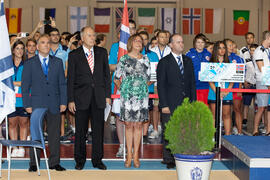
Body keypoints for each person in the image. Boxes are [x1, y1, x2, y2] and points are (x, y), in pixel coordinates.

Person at [67, 26, 111, 170]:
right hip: (81, 98)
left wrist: (107, 95)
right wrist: (71, 100)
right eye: (90, 35)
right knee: (80, 131)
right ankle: (80, 160)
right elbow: (71, 79)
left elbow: (106, 76)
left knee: (98, 131)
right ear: (83, 38)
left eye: (94, 35)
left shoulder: (102, 52)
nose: (93, 38)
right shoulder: (74, 55)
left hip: (98, 97)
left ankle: (97, 160)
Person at [22, 34, 67, 172]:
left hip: (54, 103)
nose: (46, 45)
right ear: (37, 46)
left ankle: (54, 162)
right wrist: (27, 104)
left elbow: (62, 84)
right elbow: (25, 85)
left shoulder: (58, 62)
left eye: (48, 43)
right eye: (43, 42)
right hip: (36, 104)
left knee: (54, 134)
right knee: (36, 134)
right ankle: (34, 163)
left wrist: (63, 102)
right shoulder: (30, 63)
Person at [157, 34, 196, 169]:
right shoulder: (164, 62)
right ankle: (169, 159)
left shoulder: (188, 61)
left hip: (185, 103)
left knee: (184, 130)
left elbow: (192, 84)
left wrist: (192, 103)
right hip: (170, 103)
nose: (181, 44)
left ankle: (181, 155)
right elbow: (161, 86)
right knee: (169, 131)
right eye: (178, 42)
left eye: (182, 41)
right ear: (171, 45)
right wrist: (164, 105)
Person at [114, 34, 150, 168]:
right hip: (127, 97)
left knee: (139, 125)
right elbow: (116, 77)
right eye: (136, 40)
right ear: (130, 43)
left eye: (141, 41)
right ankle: (129, 154)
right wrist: (123, 88)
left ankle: (136, 156)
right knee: (128, 125)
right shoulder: (123, 59)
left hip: (141, 97)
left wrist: (141, 87)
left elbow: (148, 78)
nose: (139, 43)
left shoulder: (146, 59)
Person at [109, 20, 137, 158]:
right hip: (119, 85)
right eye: (127, 29)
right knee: (120, 118)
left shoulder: (139, 47)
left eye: (132, 29)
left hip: (136, 88)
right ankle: (121, 145)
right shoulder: (116, 47)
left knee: (132, 119)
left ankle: (131, 145)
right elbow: (110, 66)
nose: (129, 31)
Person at [8, 40, 29, 158]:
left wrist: (16, 83)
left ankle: (21, 147)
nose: (20, 51)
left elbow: (29, 81)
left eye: (22, 48)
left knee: (23, 122)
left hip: (23, 98)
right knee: (12, 123)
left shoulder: (27, 64)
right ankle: (14, 146)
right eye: (17, 48)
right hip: (11, 99)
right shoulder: (8, 64)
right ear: (13, 50)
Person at [208, 41, 233, 135]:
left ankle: (228, 137)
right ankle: (212, 137)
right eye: (219, 48)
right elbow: (209, 79)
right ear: (215, 50)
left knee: (226, 114)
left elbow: (233, 79)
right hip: (214, 92)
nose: (222, 50)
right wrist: (216, 91)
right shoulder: (211, 62)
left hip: (227, 92)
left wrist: (227, 90)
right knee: (214, 115)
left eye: (223, 48)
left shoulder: (229, 62)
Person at [149, 30, 171, 139]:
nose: (164, 39)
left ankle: (168, 128)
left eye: (166, 37)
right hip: (155, 83)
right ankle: (155, 128)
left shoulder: (171, 51)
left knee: (168, 106)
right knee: (156, 107)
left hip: (168, 84)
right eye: (161, 37)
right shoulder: (151, 51)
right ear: (157, 38)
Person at [139, 31, 159, 144]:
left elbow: (155, 73)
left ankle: (144, 134)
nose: (143, 41)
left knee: (146, 112)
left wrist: (147, 84)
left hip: (149, 89)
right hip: (134, 90)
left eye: (145, 39)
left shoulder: (153, 55)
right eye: (141, 38)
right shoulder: (131, 54)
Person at [225, 39, 245, 135]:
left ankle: (240, 131)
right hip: (225, 88)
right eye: (229, 45)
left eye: (232, 45)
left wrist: (240, 89)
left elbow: (242, 75)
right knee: (225, 111)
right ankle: (225, 129)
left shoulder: (238, 58)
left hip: (236, 87)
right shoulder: (220, 58)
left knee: (237, 109)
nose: (231, 47)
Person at [252, 31, 270, 136]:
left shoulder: (268, 50)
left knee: (269, 107)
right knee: (262, 107)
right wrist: (268, 83)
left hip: (269, 80)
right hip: (262, 80)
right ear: (268, 38)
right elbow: (261, 69)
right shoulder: (259, 51)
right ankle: (255, 129)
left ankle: (268, 130)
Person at [186, 34, 211, 105]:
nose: (200, 44)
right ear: (195, 43)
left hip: (205, 85)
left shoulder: (209, 54)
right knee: (193, 108)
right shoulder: (189, 54)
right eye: (198, 42)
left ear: (205, 44)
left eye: (202, 42)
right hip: (193, 85)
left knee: (204, 107)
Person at [243, 44, 258, 126]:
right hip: (248, 84)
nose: (252, 52)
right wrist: (244, 81)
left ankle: (258, 121)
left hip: (258, 84)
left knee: (258, 104)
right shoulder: (246, 59)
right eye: (251, 50)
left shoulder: (261, 60)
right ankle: (245, 119)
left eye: (254, 50)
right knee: (246, 103)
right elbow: (243, 70)